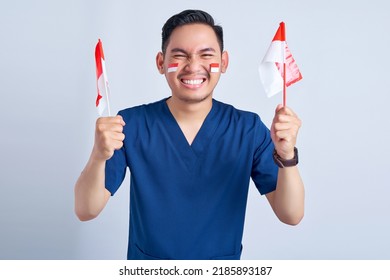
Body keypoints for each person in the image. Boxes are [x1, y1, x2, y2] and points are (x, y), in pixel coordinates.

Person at [74, 9, 304, 260]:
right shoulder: (130, 124)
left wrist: (287, 155)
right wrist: (98, 155)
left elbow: (291, 215)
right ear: (160, 63)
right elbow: (86, 210)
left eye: (206, 55)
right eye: (179, 56)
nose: (193, 66)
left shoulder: (247, 129)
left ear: (224, 62)